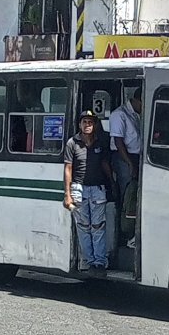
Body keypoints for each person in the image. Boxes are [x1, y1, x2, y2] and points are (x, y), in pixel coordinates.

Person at [64, 111, 113, 277]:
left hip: (98, 188)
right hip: (78, 189)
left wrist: (112, 183)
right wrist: (67, 194)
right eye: (84, 122)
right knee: (84, 227)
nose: (87, 125)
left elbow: (105, 163)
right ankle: (90, 262)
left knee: (98, 227)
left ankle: (99, 263)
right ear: (80, 124)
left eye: (90, 122)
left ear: (95, 125)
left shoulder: (100, 143)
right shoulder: (72, 143)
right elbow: (68, 169)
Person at [109, 87, 142, 244]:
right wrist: (130, 164)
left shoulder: (135, 115)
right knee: (127, 194)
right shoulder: (119, 114)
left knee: (135, 195)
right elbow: (118, 141)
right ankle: (124, 233)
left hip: (136, 157)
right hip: (123, 157)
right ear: (136, 100)